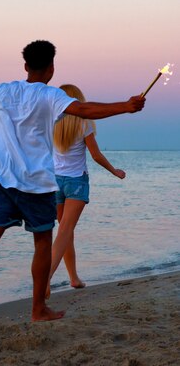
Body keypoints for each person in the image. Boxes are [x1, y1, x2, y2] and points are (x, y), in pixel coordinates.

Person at [0, 40, 145, 321]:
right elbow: (85, 110)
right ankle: (38, 308)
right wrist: (126, 106)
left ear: (25, 67)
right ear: (51, 68)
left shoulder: (1, 91)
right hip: (37, 183)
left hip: (2, 181)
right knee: (43, 241)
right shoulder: (49, 96)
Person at [46, 84, 126, 298]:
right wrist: (114, 171)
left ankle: (73, 278)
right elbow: (96, 155)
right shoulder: (84, 123)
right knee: (65, 231)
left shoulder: (50, 122)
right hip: (76, 182)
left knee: (65, 231)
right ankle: (46, 280)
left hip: (54, 182)